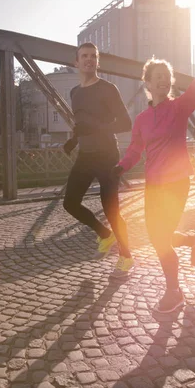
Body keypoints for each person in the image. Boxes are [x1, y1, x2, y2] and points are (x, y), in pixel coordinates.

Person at [113, 29, 195, 312]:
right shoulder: (142, 119)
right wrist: (121, 167)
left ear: (170, 82)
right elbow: (135, 150)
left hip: (176, 182)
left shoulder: (181, 107)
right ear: (147, 83)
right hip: (154, 185)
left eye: (166, 76)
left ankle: (173, 292)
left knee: (160, 236)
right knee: (156, 235)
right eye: (156, 76)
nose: (163, 80)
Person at [62, 42, 133, 278]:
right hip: (85, 155)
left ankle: (126, 256)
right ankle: (104, 234)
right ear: (76, 62)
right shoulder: (75, 92)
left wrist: (96, 128)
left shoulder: (108, 89)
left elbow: (125, 123)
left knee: (111, 209)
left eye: (93, 56)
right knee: (70, 203)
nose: (89, 60)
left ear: (97, 61)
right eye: (84, 56)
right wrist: (73, 139)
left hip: (107, 156)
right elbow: (82, 124)